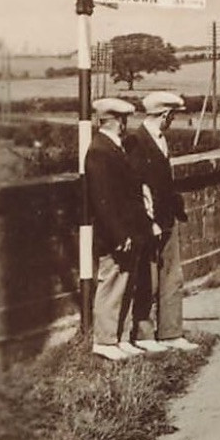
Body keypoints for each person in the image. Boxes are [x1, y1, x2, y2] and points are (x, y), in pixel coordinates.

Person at [124, 91, 200, 352]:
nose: (173, 120)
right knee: (148, 278)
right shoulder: (136, 141)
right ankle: (144, 334)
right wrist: (148, 222)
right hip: (149, 221)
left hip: (167, 217)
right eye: (173, 116)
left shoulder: (160, 139)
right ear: (165, 115)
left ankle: (171, 332)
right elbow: (136, 187)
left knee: (171, 276)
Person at [84, 97, 152, 361]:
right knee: (111, 284)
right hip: (115, 235)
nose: (126, 125)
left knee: (125, 284)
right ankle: (104, 340)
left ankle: (119, 338)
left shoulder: (113, 148)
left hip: (128, 233)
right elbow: (103, 201)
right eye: (123, 120)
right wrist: (119, 235)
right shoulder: (99, 151)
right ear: (113, 121)